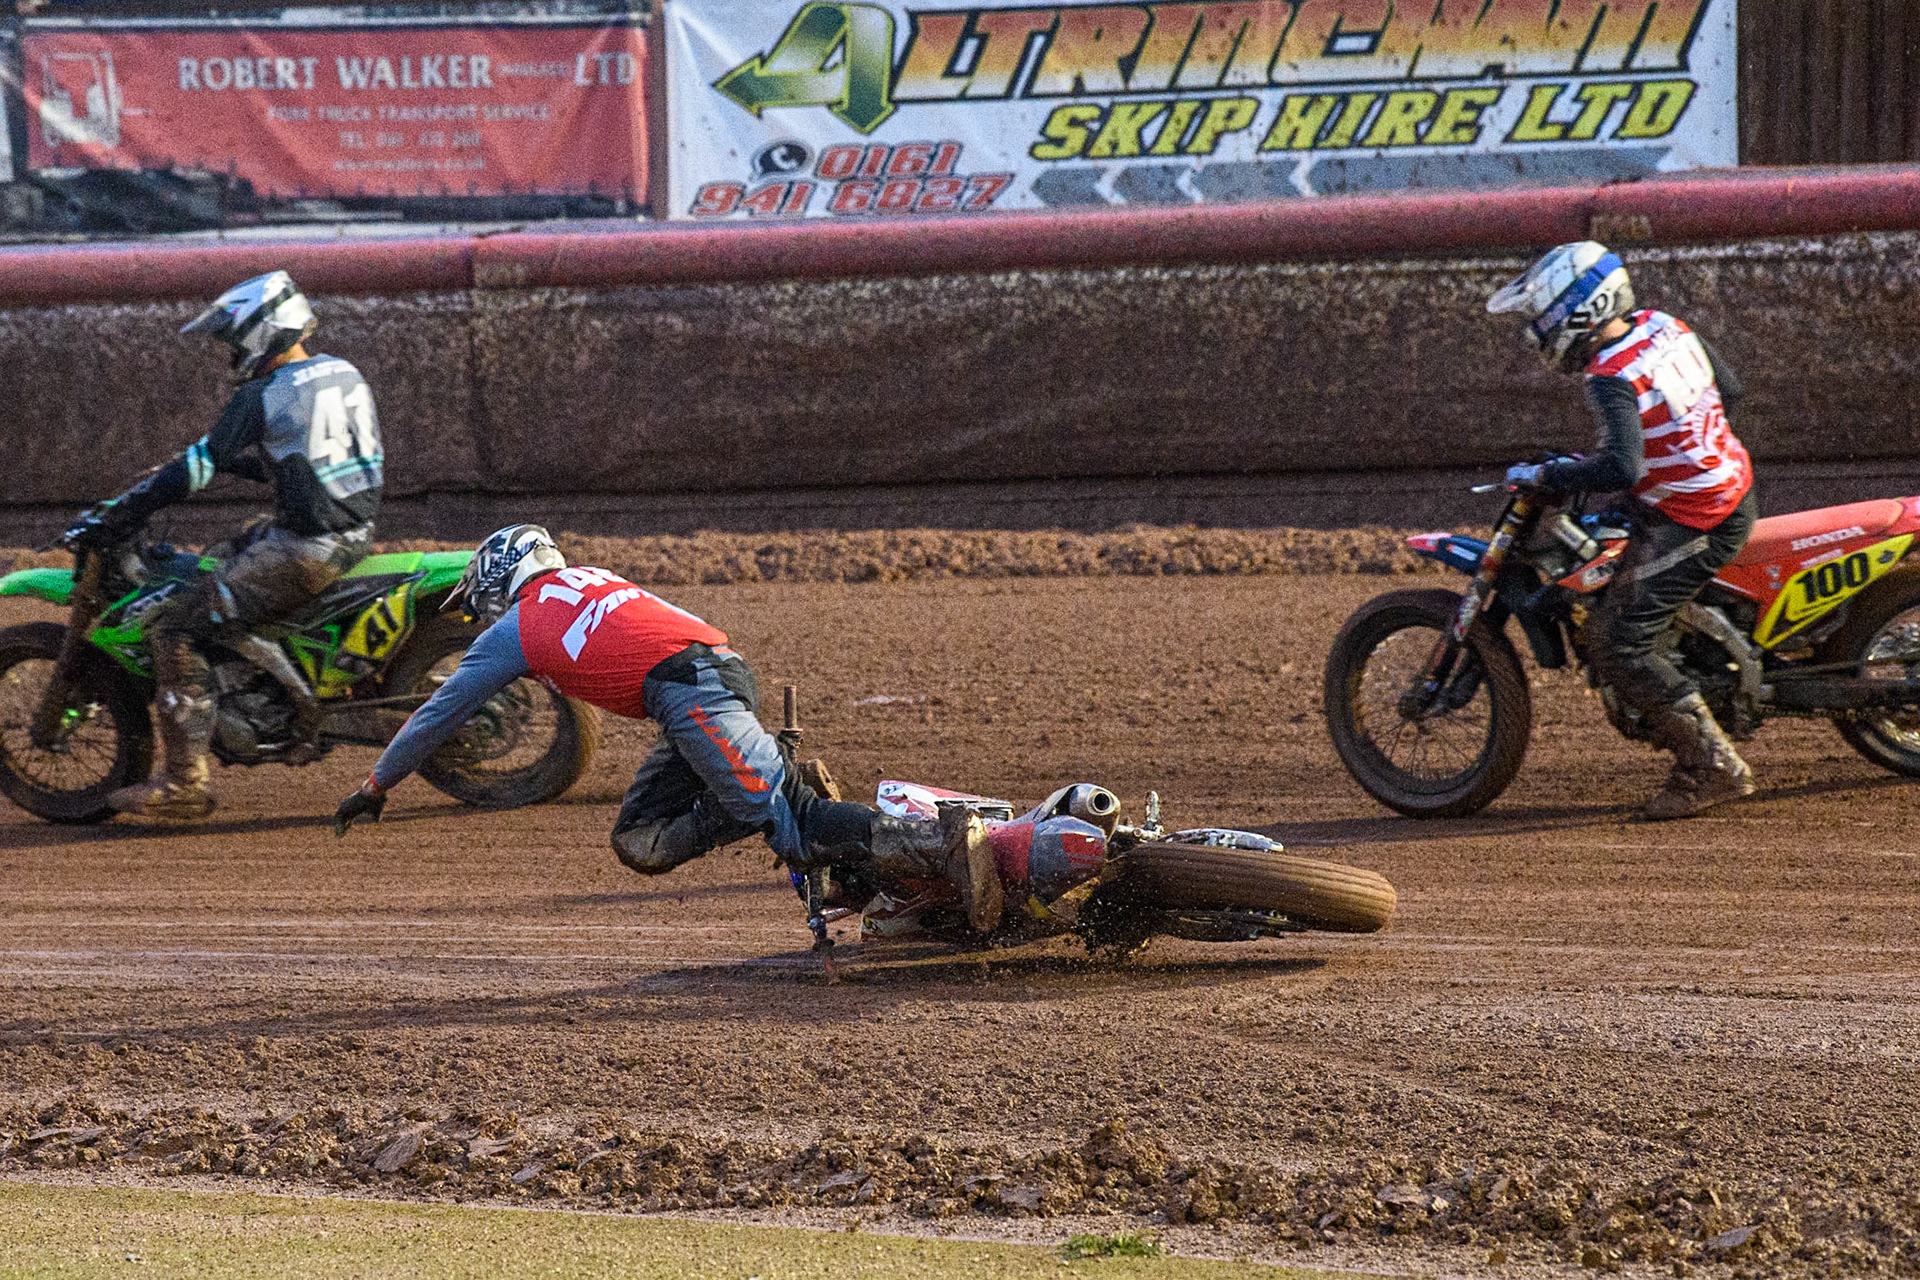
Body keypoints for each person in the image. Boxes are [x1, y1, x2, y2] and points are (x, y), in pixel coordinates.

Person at [331, 525, 1003, 931]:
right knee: (641, 843)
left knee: (796, 828)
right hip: (709, 679)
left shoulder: (517, 626)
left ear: (502, 580)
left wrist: (375, 783)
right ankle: (786, 802)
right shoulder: (590, 578)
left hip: (693, 695)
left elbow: (437, 712)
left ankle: (940, 850)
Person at [67, 271, 382, 820]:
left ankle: (185, 781)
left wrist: (122, 514)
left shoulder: (263, 394)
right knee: (227, 552)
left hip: (305, 549)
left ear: (261, 331)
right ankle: (260, 684)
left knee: (176, 629)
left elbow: (194, 472)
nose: (229, 353)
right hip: (354, 531)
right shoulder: (343, 372)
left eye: (232, 340)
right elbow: (305, 457)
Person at [1487, 241, 1757, 821]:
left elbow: (1622, 468)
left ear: (1574, 312)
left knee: (1618, 642)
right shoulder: (1666, 325)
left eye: (1540, 317)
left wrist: (1549, 472)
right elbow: (1728, 388)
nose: (1535, 332)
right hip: (1722, 484)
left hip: (1696, 513)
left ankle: (1712, 767)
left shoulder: (1609, 374)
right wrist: (1683, 443)